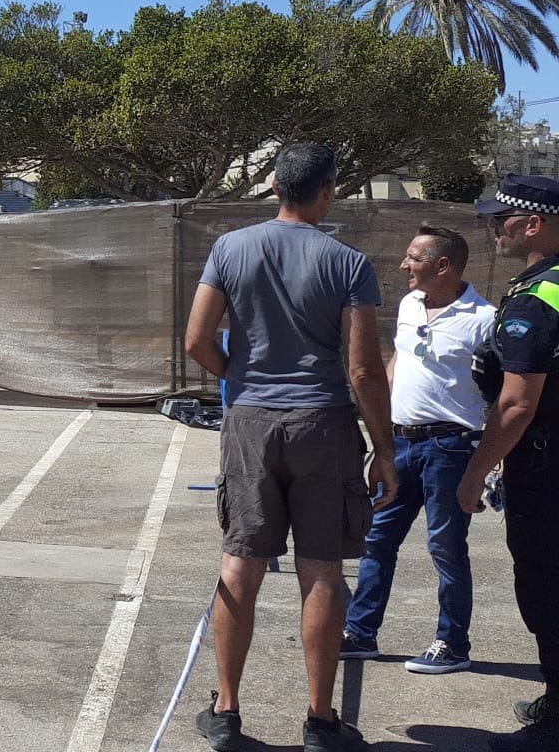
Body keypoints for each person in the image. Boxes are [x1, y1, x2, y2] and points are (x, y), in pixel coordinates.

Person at [184, 142, 398, 752]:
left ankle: (226, 710)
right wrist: (383, 451)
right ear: (329, 190)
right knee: (323, 569)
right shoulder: (348, 262)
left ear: (276, 186)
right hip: (323, 422)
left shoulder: (230, 248)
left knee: (240, 563)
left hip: (252, 421)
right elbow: (362, 371)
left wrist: (241, 379)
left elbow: (198, 338)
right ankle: (321, 719)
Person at [341, 226, 493, 675]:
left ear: (442, 266)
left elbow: (498, 392)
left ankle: (452, 643)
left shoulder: (483, 319)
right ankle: (360, 633)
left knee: (445, 546)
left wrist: (489, 463)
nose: (404, 266)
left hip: (451, 447)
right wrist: (381, 432)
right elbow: (397, 359)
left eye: (413, 258)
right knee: (375, 537)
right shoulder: (409, 305)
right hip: (401, 443)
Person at [457, 175, 559, 751]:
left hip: (546, 469)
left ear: (534, 223)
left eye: (502, 219)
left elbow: (517, 404)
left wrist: (476, 471)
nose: (494, 228)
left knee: (545, 589)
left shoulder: (535, 297)